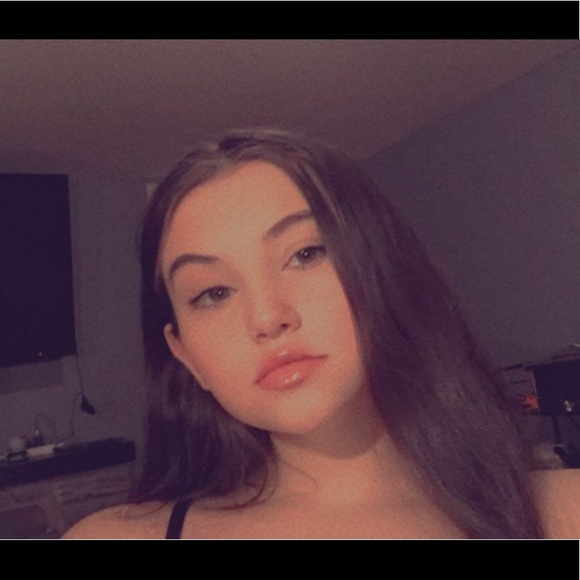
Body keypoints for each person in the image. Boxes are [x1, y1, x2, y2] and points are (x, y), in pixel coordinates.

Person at [65, 127, 580, 539]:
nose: (267, 318)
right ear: (185, 356)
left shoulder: (563, 512)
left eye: (306, 254)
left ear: (385, 270)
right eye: (214, 293)